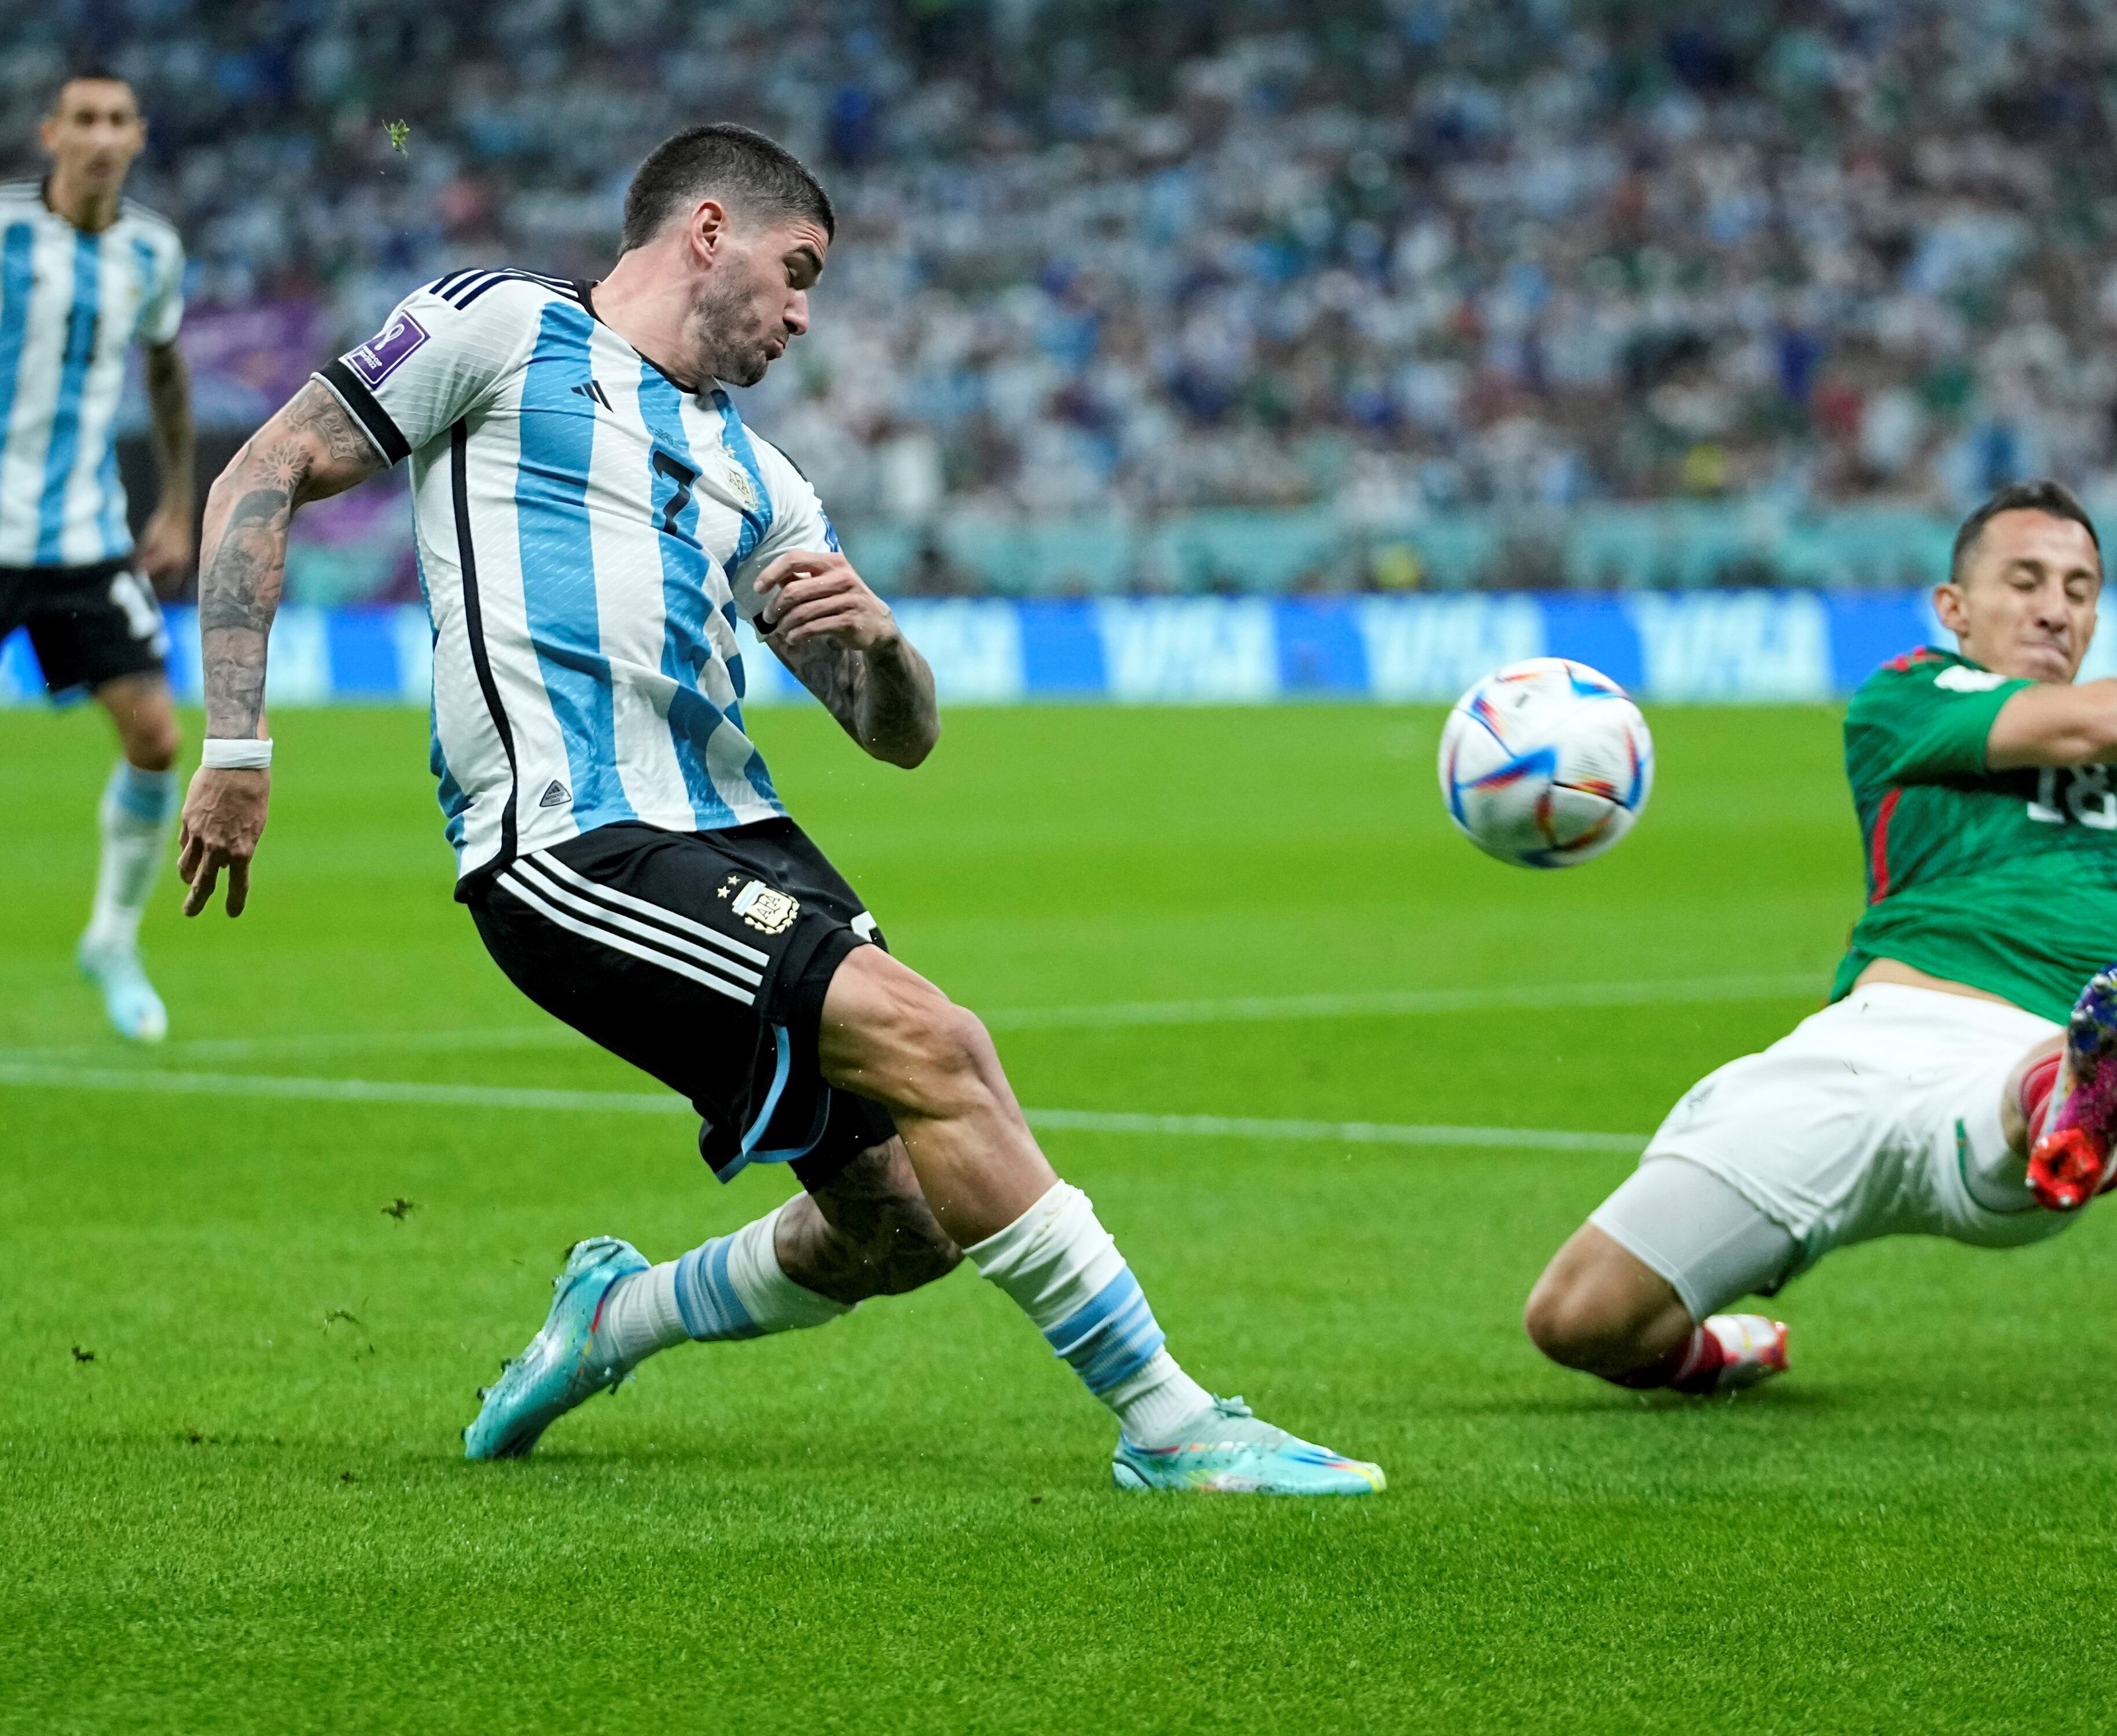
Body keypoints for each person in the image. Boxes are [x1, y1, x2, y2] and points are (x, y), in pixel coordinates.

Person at [172, 124, 1382, 1496]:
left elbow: (897, 739)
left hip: (739, 836)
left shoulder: (762, 475)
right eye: (797, 272)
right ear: (707, 233)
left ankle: (610, 1319)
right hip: (575, 842)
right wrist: (237, 747)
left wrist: (885, 649)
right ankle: (1172, 1426)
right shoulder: (500, 327)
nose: (804, 316)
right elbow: (260, 475)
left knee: (901, 1226)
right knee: (939, 1044)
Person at [1523, 479, 2117, 1396]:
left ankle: (2077, 1096)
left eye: (2078, 589)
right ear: (1955, 605)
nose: (2056, 609)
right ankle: (1721, 1350)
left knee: (2036, 1094)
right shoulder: (1911, 698)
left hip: (2002, 1070)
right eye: (2025, 581)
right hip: (1855, 1058)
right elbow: (2090, 722)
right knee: (1575, 1319)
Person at [1, 68, 195, 1041]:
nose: (101, 135)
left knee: (157, 736)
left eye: (118, 118)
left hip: (80, 538)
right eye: (83, 119)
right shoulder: (1, 233)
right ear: (51, 134)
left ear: (139, 135)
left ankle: (112, 939)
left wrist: (178, 496)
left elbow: (164, 369)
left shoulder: (151, 250)